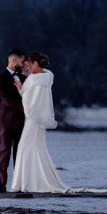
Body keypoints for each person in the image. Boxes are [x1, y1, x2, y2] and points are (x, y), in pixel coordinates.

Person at [9, 52, 70, 193]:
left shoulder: (33, 80)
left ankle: (26, 183)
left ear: (35, 64)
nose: (27, 69)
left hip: (32, 120)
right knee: (37, 148)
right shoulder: (46, 78)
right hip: (40, 120)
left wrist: (20, 89)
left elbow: (28, 100)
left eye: (29, 66)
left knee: (25, 148)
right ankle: (33, 182)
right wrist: (30, 78)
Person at [0, 49, 26, 193]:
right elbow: (8, 101)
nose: (24, 64)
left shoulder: (24, 78)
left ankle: (19, 184)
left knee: (20, 153)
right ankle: (2, 184)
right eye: (22, 61)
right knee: (5, 152)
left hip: (22, 122)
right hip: (5, 122)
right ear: (13, 61)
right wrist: (29, 109)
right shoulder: (1, 79)